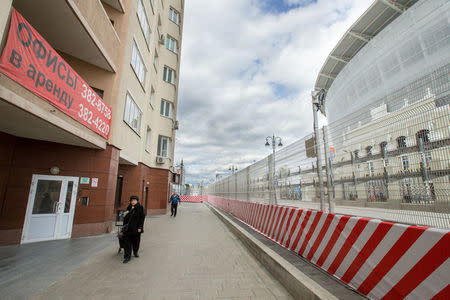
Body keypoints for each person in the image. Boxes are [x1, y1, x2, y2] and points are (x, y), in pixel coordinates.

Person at [122, 195, 145, 263]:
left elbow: (142, 218)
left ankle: (135, 251)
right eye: (132, 200)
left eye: (134, 200)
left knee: (136, 242)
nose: (133, 202)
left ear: (137, 201)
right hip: (128, 229)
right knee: (127, 243)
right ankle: (127, 256)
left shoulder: (140, 208)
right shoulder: (128, 207)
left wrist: (140, 227)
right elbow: (125, 218)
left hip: (136, 228)